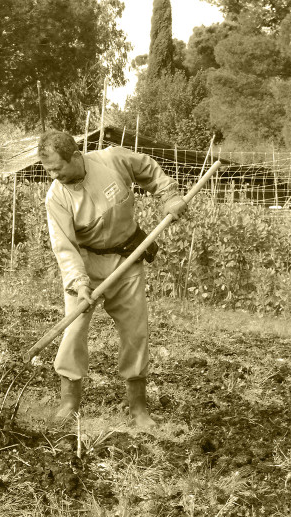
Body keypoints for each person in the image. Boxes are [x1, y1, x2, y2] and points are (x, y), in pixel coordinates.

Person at [37, 130, 187, 427]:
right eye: (48, 170)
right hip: (86, 264)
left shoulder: (112, 159)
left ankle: (138, 408)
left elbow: (147, 168)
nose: (54, 175)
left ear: (76, 156)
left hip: (128, 257)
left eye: (57, 168)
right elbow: (64, 247)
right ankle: (69, 402)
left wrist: (169, 194)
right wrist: (80, 283)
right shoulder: (56, 196)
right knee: (74, 331)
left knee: (135, 331)